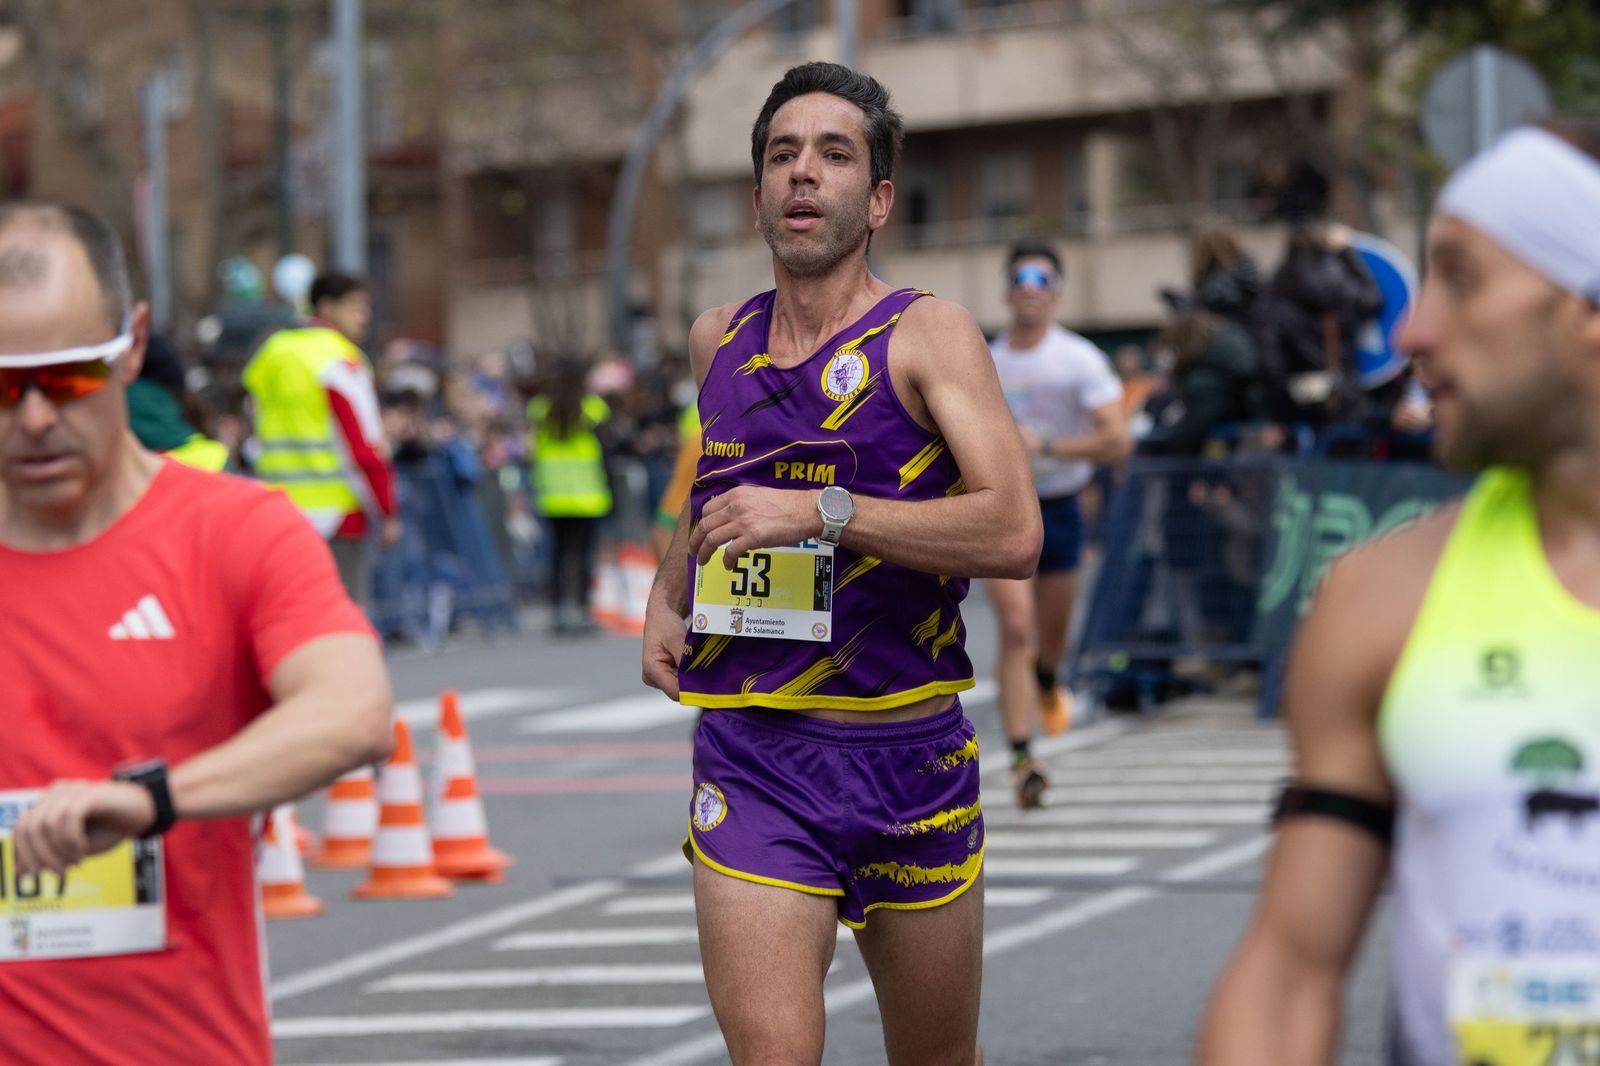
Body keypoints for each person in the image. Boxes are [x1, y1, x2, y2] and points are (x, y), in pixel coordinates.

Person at [641, 62, 1040, 1065]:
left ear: (879, 199)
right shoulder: (715, 340)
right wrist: (667, 588)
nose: (803, 174)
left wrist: (822, 513)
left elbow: (1012, 531)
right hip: (755, 757)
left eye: (833, 153)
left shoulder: (926, 333)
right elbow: (720, 484)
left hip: (907, 758)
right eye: (782, 154)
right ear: (759, 193)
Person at [1200, 119, 1600, 1065]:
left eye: (1461, 277)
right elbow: (1291, 972)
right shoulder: (1382, 596)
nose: (1413, 328)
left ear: (1586, 306)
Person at [0, 203, 393, 1065]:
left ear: (133, 345)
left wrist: (152, 802)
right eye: (3, 385)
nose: (33, 418)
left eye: (66, 379)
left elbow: (353, 712)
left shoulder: (234, 532)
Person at [986, 239, 1130, 808]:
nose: (1028, 288)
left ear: (1057, 294)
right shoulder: (986, 360)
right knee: (1016, 630)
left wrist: (1049, 445)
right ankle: (1025, 758)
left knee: (1050, 642)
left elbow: (1117, 439)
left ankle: (1048, 677)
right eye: (1019, 278)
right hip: (1001, 509)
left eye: (1040, 280)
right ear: (1005, 291)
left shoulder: (1079, 359)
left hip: (1061, 508)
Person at [243, 270, 400, 607]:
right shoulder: (341, 360)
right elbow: (364, 445)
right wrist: (387, 511)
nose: (364, 317)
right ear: (327, 307)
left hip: (279, 513)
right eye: (356, 307)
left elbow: (251, 422)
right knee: (347, 620)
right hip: (338, 516)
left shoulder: (272, 352)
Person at [529, 356, 614, 634]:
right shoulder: (592, 408)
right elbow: (607, 448)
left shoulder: (540, 408)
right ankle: (581, 611)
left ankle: (556, 612)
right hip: (587, 495)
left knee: (557, 555)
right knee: (583, 555)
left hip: (553, 495)